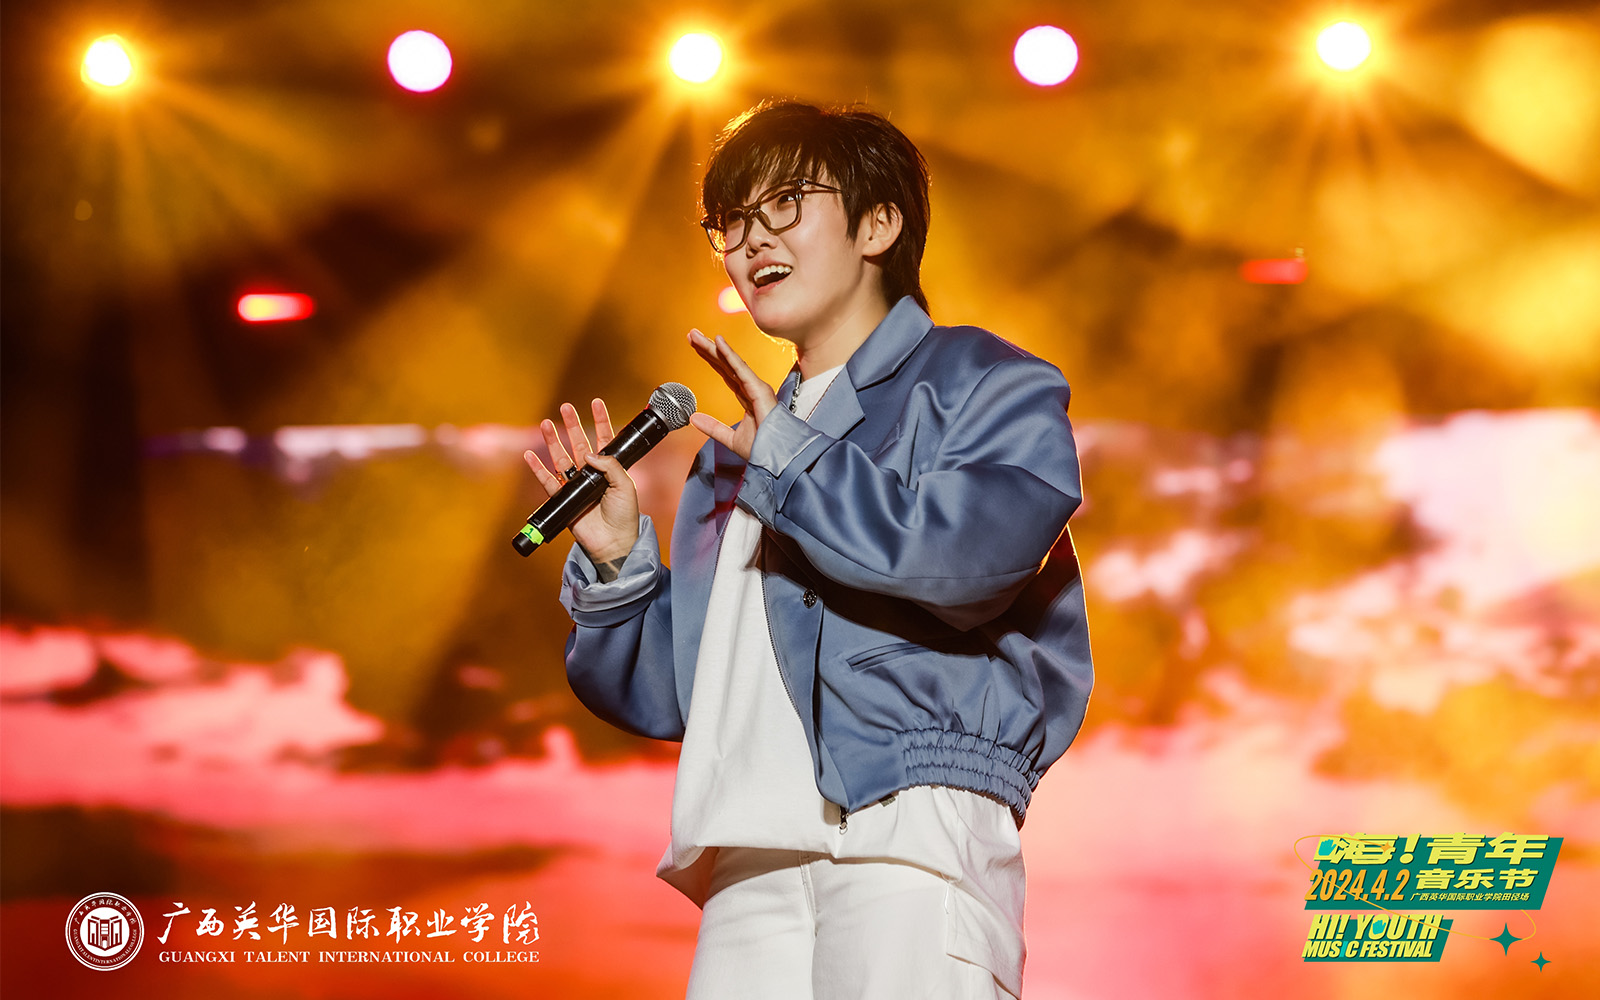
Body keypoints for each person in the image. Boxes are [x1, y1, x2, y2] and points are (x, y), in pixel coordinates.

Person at [524, 101, 1092, 1000]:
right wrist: (621, 562)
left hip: (907, 831)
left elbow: (965, 566)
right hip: (747, 855)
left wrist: (789, 460)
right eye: (732, 221)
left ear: (879, 224)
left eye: (785, 203)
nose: (752, 240)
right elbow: (682, 690)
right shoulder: (732, 455)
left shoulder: (983, 382)